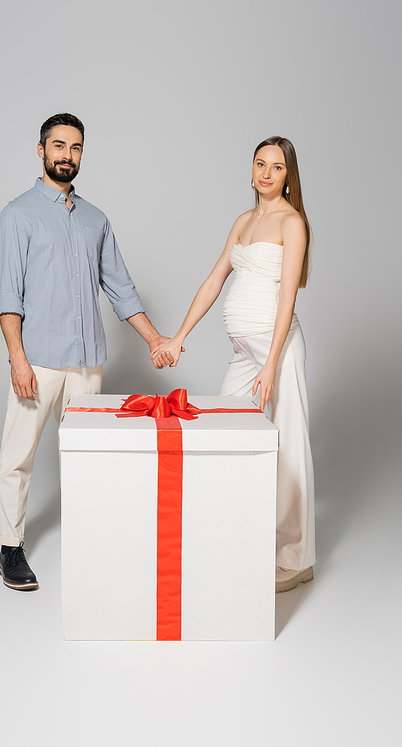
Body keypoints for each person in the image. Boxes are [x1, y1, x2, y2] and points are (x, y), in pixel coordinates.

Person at [0, 112, 173, 591]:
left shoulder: (96, 219)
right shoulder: (17, 215)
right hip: (38, 360)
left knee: (89, 453)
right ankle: (10, 548)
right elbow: (8, 294)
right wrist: (17, 358)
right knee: (18, 456)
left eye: (74, 148)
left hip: (87, 361)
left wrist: (154, 338)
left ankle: (95, 538)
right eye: (58, 146)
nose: (66, 156)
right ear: (41, 150)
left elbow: (121, 288)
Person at [152, 136, 316, 593]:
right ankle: (234, 534)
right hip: (246, 352)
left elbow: (287, 297)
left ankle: (294, 556)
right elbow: (213, 280)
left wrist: (273, 362)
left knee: (289, 442)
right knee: (223, 426)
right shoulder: (243, 221)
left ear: (288, 176)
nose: (266, 173)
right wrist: (178, 336)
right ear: (251, 170)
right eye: (260, 164)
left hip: (276, 347)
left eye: (277, 167)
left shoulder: (292, 222)